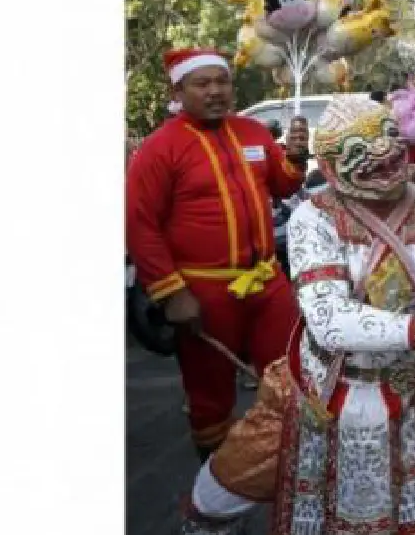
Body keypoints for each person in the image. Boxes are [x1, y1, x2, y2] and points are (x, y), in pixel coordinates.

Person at [176, 96, 415, 535]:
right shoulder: (312, 219)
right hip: (317, 394)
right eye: (363, 151)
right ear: (330, 164)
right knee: (208, 505)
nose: (385, 157)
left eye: (391, 142)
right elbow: (330, 321)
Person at [126, 48, 309, 458]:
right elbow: (140, 225)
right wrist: (172, 293)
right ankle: (217, 499)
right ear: (178, 90)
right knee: (210, 398)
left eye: (221, 81)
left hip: (268, 283)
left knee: (292, 375)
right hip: (203, 294)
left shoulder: (254, 132)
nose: (215, 91)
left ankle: (294, 476)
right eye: (202, 83)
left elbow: (283, 186)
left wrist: (295, 158)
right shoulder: (159, 148)